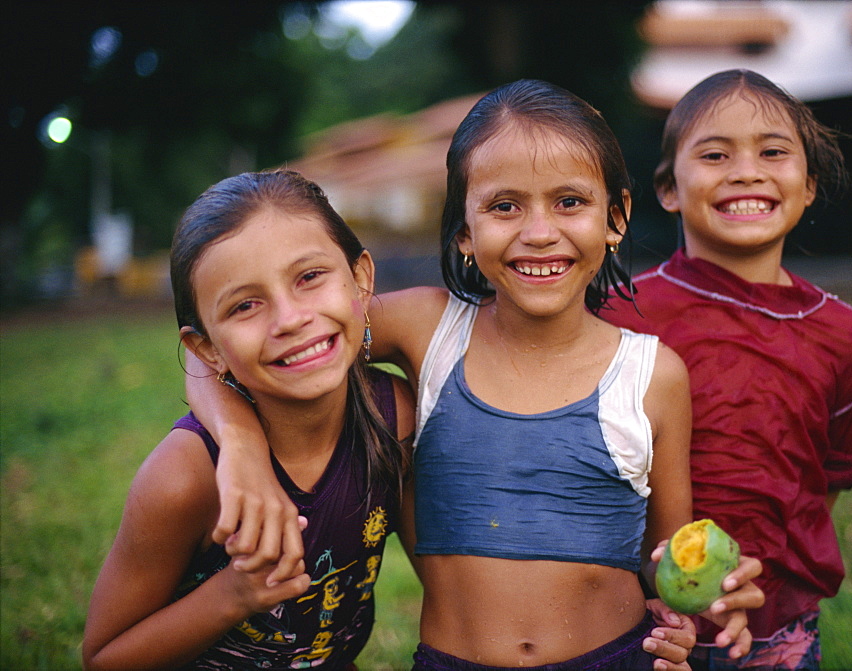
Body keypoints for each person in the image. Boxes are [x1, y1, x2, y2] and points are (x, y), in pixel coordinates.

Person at [188, 79, 765, 671]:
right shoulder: (427, 330)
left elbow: (665, 557)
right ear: (464, 230)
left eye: (570, 201)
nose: (539, 232)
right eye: (504, 206)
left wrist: (704, 599)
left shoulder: (652, 375)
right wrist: (239, 448)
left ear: (615, 217)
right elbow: (217, 355)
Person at [601, 69, 852, 670]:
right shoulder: (617, 315)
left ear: (808, 185)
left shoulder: (846, 339)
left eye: (773, 152)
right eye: (715, 154)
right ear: (668, 188)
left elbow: (824, 483)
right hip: (631, 629)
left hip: (775, 630)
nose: (746, 170)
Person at [82, 170, 415, 670]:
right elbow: (104, 657)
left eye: (309, 277)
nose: (289, 319)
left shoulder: (393, 419)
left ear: (361, 278)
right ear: (207, 349)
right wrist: (232, 596)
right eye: (245, 305)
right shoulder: (184, 478)